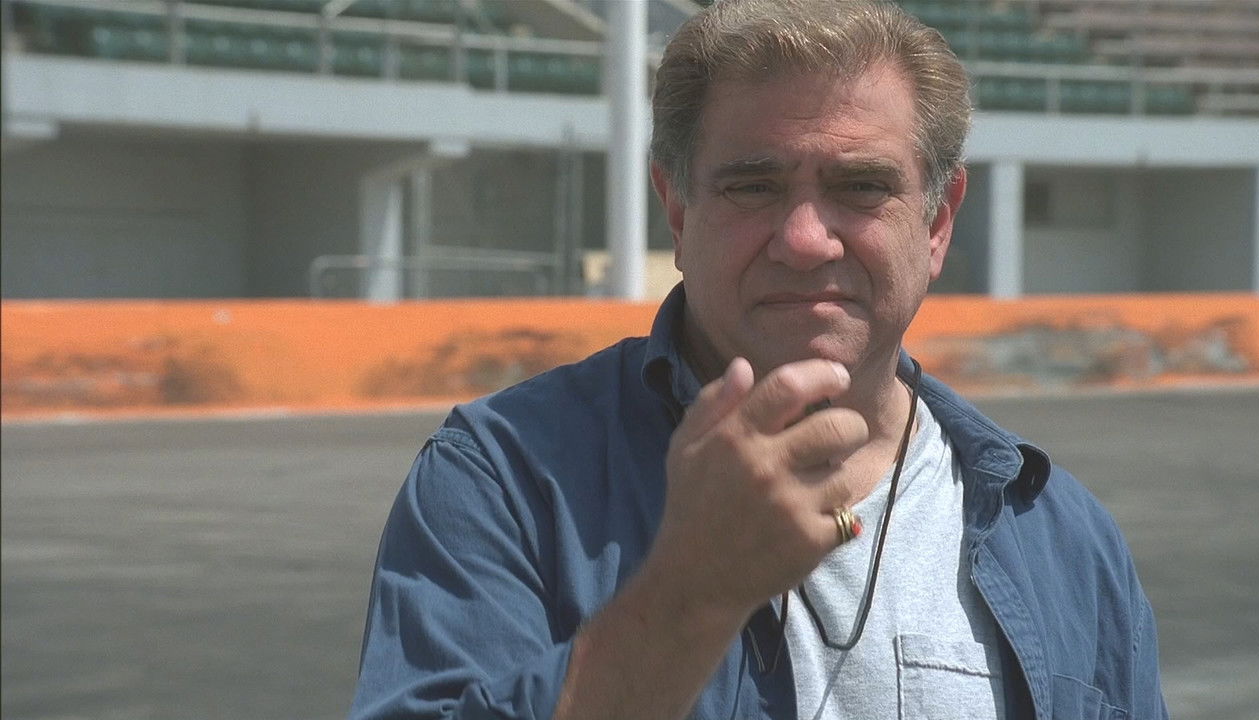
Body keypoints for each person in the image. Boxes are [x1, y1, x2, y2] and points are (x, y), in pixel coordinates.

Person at [349, 1, 1168, 718]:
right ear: (677, 211)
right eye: (753, 186)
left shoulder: (1065, 540)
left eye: (861, 186)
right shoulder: (503, 481)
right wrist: (691, 596)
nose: (805, 240)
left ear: (937, 223)